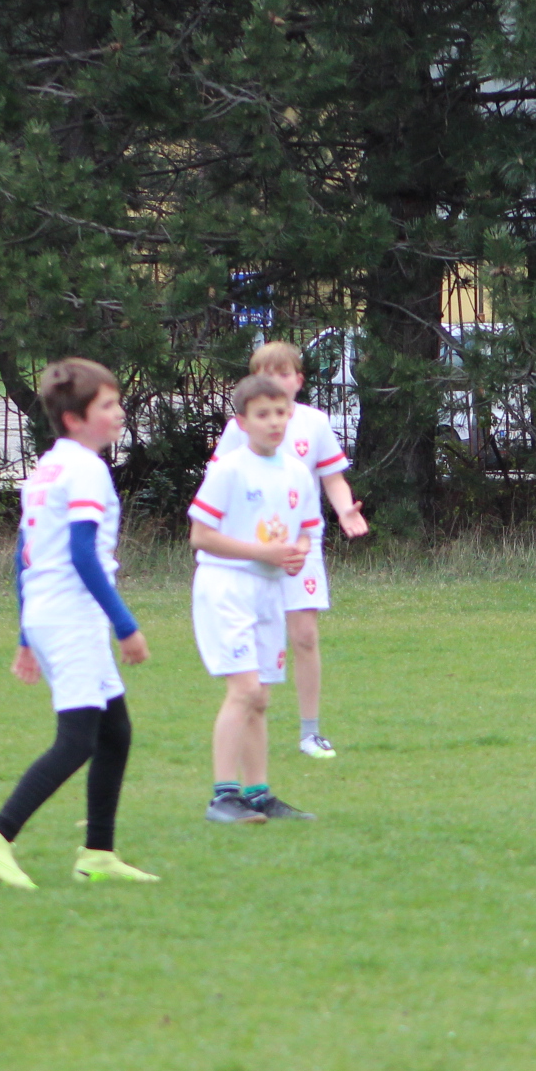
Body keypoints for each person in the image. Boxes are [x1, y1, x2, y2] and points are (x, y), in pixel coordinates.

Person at [0, 359, 158, 888]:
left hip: (50, 614)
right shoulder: (86, 469)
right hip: (72, 617)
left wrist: (27, 634)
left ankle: (98, 854)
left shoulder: (48, 468)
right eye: (108, 406)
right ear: (74, 419)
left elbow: (25, 554)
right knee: (77, 740)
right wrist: (125, 624)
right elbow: (82, 554)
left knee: (114, 732)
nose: (119, 413)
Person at [211, 341, 367, 757]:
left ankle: (309, 733)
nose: (275, 383)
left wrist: (345, 511)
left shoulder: (315, 423)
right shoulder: (239, 428)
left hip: (302, 544)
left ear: (298, 381)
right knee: (256, 635)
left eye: (283, 374)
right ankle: (247, 714)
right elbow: (219, 482)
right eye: (265, 375)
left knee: (304, 635)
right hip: (252, 551)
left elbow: (332, 478)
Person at [189, 375, 324, 823]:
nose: (274, 422)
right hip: (227, 587)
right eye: (262, 414)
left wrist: (295, 554)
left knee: (261, 697)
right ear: (242, 423)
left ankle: (259, 794)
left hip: (269, 591)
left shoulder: (297, 473)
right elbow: (201, 536)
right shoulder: (229, 470)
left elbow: (306, 531)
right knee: (245, 689)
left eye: (281, 413)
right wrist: (263, 553)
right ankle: (222, 797)